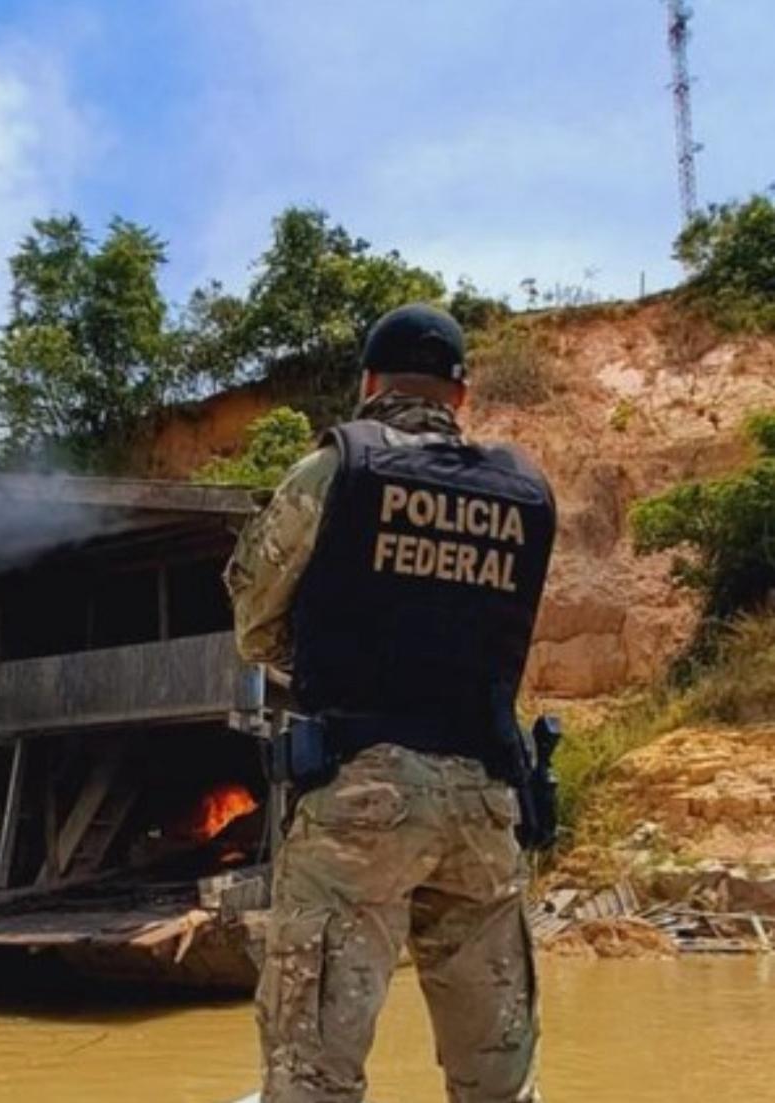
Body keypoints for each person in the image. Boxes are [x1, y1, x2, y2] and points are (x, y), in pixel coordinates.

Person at [225, 303, 556, 1103]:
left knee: (314, 1077)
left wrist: (325, 663)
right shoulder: (526, 491)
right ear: (461, 394)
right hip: (485, 806)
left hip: (359, 799)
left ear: (369, 384)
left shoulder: (339, 469)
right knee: (499, 1086)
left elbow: (254, 621)